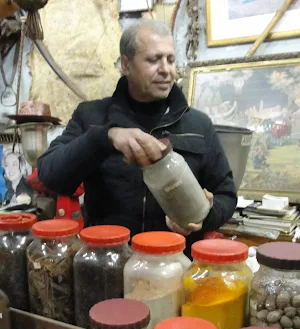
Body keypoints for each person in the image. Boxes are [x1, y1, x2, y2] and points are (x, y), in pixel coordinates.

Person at [37, 19, 237, 257]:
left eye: (170, 60)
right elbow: (50, 175)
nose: (166, 69)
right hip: (106, 263)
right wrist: (103, 138)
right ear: (126, 64)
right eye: (153, 60)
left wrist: (206, 215)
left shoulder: (198, 124)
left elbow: (226, 193)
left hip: (174, 266)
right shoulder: (91, 117)